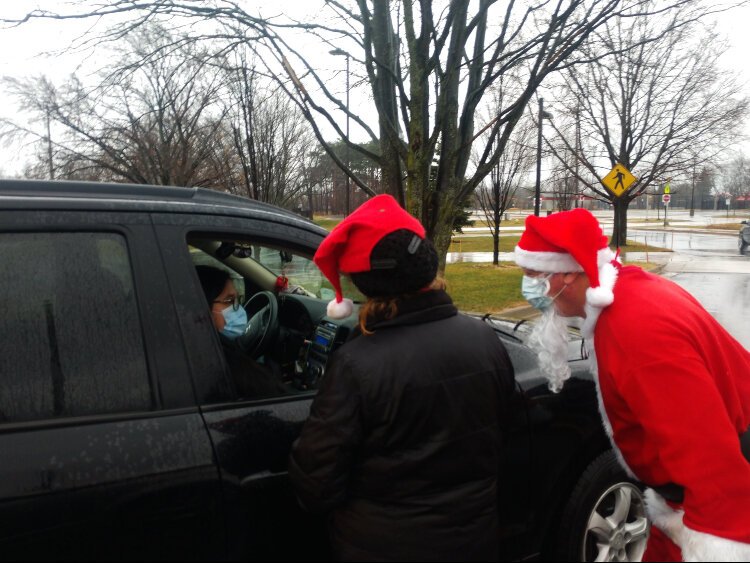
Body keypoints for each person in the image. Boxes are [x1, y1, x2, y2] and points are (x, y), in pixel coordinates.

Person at [513, 208, 750, 562]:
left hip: (717, 508)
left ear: (569, 272)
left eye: (533, 274)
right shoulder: (625, 293)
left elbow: (711, 464)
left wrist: (716, 548)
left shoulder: (636, 332)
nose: (528, 287)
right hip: (678, 502)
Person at [288, 194, 515, 561]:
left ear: (367, 285)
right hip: (476, 540)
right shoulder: (486, 340)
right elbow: (508, 437)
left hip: (381, 546)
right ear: (428, 265)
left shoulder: (355, 365)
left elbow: (315, 485)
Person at [195, 265, 288, 399]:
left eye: (238, 300)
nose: (239, 310)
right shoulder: (221, 368)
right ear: (202, 306)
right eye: (229, 301)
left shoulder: (209, 351)